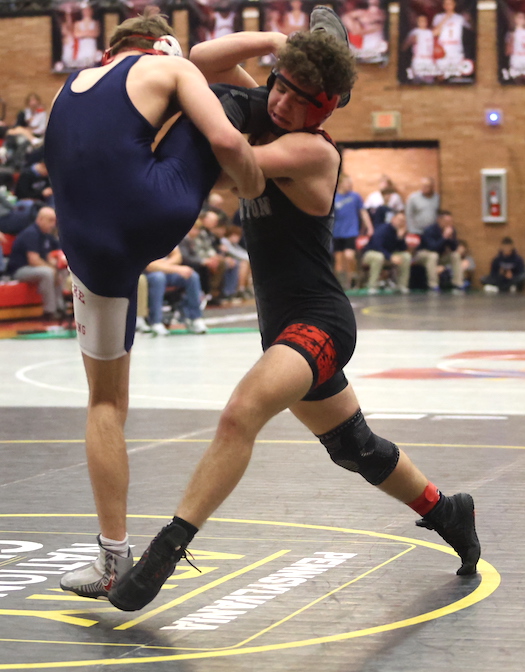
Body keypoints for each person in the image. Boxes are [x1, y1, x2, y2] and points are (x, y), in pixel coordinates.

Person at [106, 8, 480, 613]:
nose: (279, 103)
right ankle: (447, 511)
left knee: (240, 414)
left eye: (298, 98)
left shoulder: (313, 152)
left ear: (324, 110)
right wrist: (283, 45)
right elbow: (201, 60)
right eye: (277, 86)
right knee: (355, 448)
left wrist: (209, 115)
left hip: (319, 323)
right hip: (282, 327)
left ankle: (166, 550)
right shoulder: (278, 108)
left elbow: (237, 163)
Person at [45, 9, 264, 599]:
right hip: (150, 213)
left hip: (85, 247)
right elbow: (222, 140)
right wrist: (251, 186)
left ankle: (112, 559)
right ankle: (299, 103)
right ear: (161, 45)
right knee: (226, 105)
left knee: (104, 403)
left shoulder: (67, 88)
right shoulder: (169, 66)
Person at [6, 206, 67, 319]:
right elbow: (33, 260)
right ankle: (50, 311)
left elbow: (53, 253)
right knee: (48, 273)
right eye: (50, 220)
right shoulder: (31, 233)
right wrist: (53, 269)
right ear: (40, 219)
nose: (53, 224)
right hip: (20, 269)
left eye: (54, 221)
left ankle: (60, 307)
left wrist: (56, 264)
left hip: (36, 267)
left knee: (62, 270)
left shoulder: (46, 235)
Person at [144, 246, 208, 335]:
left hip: (166, 270)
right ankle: (155, 321)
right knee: (158, 278)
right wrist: (174, 268)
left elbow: (177, 256)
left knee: (192, 276)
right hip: (147, 274)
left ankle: (195, 318)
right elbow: (149, 265)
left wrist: (164, 265)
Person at [332, 172, 373, 289]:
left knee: (349, 256)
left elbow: (363, 212)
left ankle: (353, 278)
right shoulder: (334, 197)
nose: (350, 185)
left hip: (351, 232)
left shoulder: (355, 196)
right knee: (339, 261)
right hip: (337, 232)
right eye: (348, 183)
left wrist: (369, 227)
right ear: (340, 184)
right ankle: (342, 284)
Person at [412, 210, 464, 292]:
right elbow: (433, 248)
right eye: (447, 221)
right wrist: (444, 237)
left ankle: (458, 284)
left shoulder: (451, 230)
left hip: (439, 255)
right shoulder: (429, 230)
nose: (449, 224)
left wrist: (451, 239)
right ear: (439, 220)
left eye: (450, 221)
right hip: (423, 254)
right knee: (433, 255)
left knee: (455, 255)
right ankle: (433, 285)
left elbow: (454, 248)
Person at [361, 211, 411, 294]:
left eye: (403, 221)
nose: (401, 223)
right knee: (378, 257)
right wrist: (390, 257)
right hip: (371, 253)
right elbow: (377, 246)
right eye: (399, 220)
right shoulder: (383, 229)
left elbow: (403, 249)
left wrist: (400, 237)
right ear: (393, 219)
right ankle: (372, 286)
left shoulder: (399, 232)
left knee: (406, 256)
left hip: (387, 255)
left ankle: (402, 285)